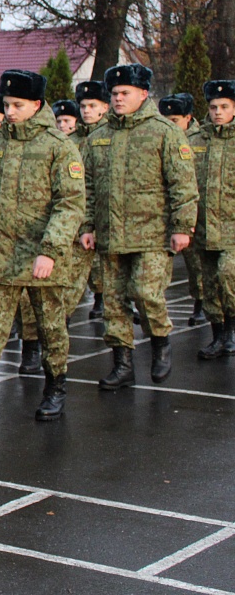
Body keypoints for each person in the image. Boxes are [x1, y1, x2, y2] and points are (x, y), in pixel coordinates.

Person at [0, 70, 85, 424]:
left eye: (17, 105)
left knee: (50, 327)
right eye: (6, 104)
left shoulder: (59, 147)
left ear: (37, 105)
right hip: (0, 257)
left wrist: (50, 250)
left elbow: (70, 205)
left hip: (42, 260)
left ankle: (55, 389)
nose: (9, 112)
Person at [82, 64, 197, 389]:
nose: (117, 99)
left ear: (143, 94)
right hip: (110, 236)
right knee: (115, 303)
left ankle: (160, 341)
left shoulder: (165, 132)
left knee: (146, 293)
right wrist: (87, 226)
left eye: (124, 93)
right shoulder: (99, 137)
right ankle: (122, 363)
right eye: (114, 94)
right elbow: (88, 187)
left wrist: (182, 227)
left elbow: (183, 185)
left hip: (152, 234)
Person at [196, 80, 235, 359]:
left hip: (232, 228)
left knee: (228, 276)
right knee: (208, 285)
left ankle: (231, 332)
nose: (218, 112)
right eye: (213, 107)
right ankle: (218, 336)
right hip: (203, 228)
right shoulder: (196, 140)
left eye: (224, 107)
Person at [161, 93, 207, 326]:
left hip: (197, 208)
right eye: (166, 119)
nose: (170, 125)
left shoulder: (201, 138)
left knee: (196, 261)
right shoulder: (160, 137)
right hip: (166, 209)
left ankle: (200, 301)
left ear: (188, 118)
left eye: (175, 120)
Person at [75, 81, 111, 318]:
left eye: (92, 105)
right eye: (83, 105)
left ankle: (103, 299)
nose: (86, 110)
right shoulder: (73, 137)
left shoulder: (110, 135)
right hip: (81, 215)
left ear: (104, 107)